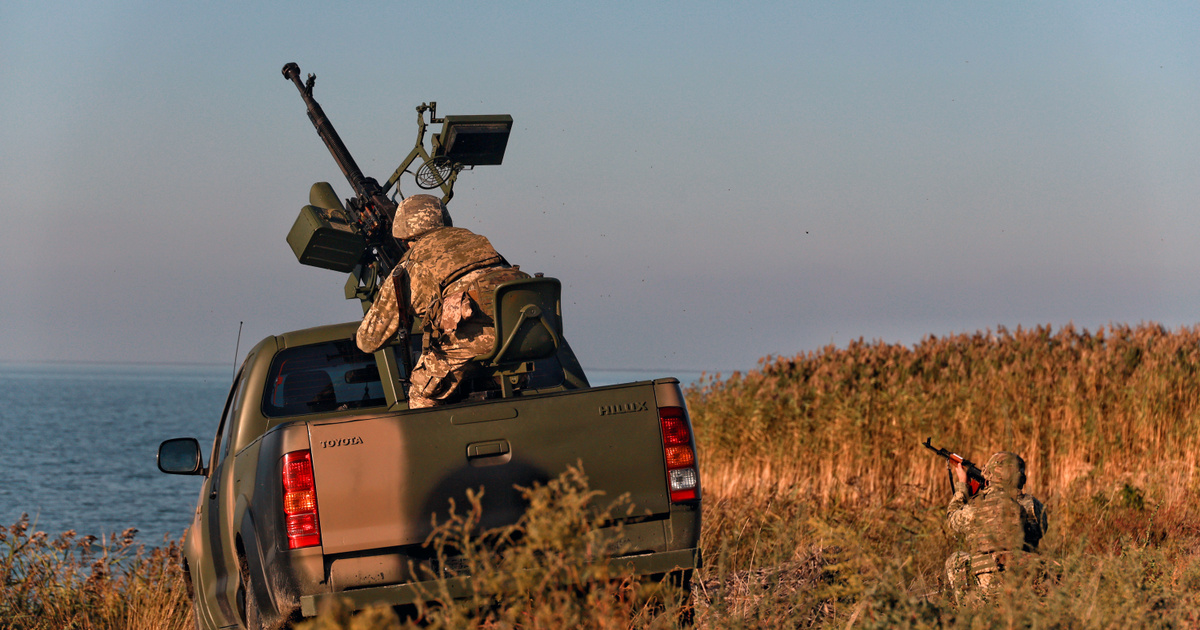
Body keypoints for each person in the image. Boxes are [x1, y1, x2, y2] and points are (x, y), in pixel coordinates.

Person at [356, 194, 528, 408]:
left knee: (420, 392)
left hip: (474, 341)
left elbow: (369, 340)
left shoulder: (413, 264)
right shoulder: (478, 243)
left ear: (403, 234)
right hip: (518, 336)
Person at [944, 451, 1048, 598]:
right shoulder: (1033, 504)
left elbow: (952, 520)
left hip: (986, 577)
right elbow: (1037, 532)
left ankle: (967, 606)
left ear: (990, 474)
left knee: (956, 560)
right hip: (1024, 577)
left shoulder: (978, 505)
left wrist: (962, 486)